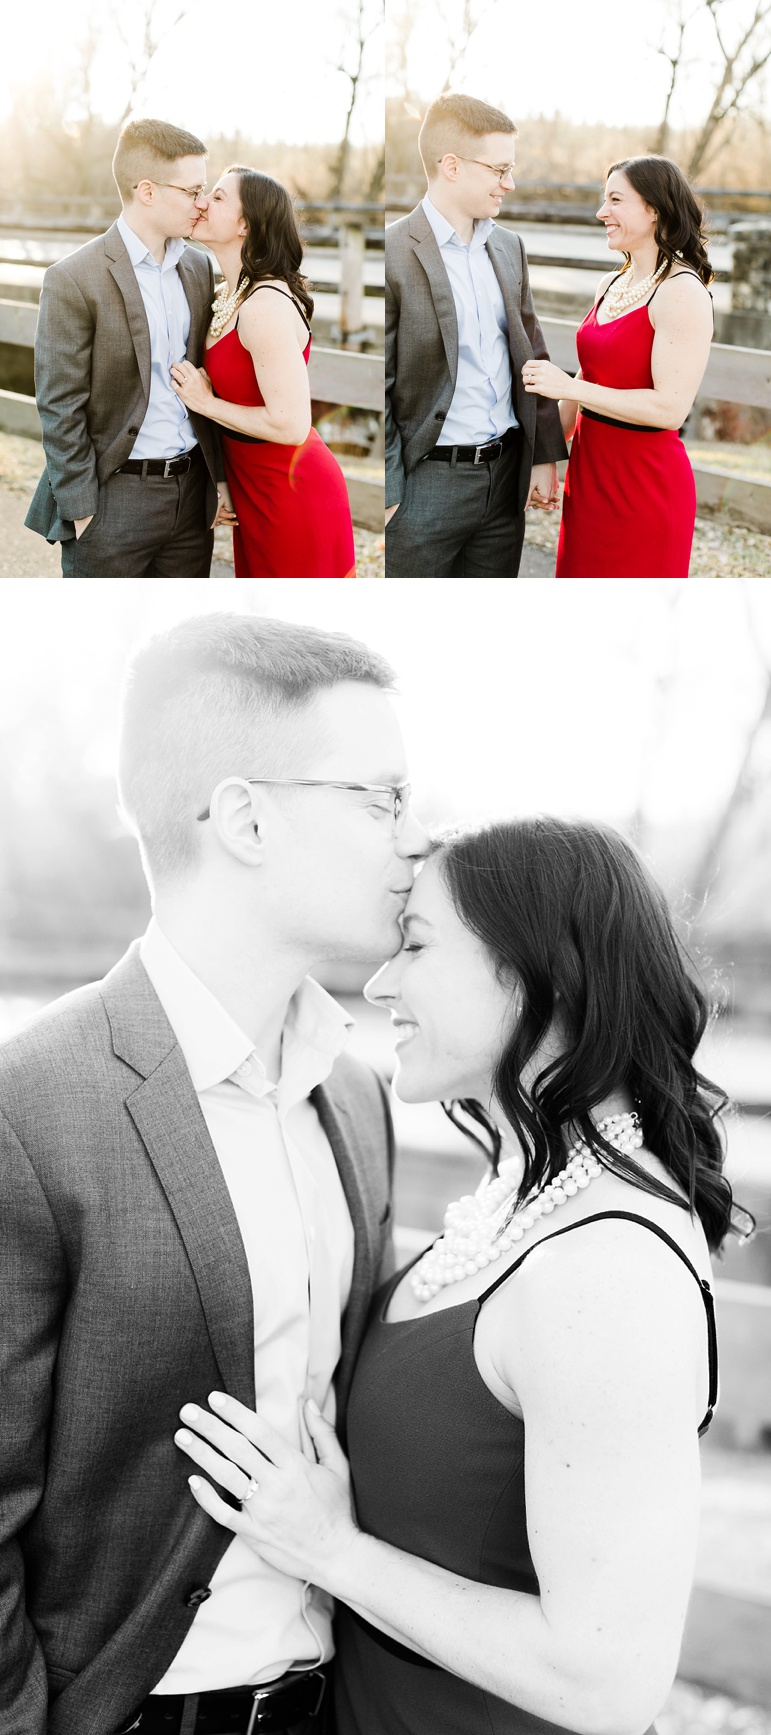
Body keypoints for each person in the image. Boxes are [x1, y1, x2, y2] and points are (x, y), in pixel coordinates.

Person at [174, 816, 753, 1735]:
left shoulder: (604, 1271)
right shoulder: (517, 1201)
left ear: (536, 972)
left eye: (414, 945)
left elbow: (606, 1682)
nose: (378, 983)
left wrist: (333, 1551)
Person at [0, 611, 429, 1735]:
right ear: (245, 816)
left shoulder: (355, 1093)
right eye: (378, 797)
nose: (410, 837)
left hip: (330, 1703)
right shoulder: (29, 1102)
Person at [24, 117, 235, 578]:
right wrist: (82, 510)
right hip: (112, 500)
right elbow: (59, 404)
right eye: (192, 190)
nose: (202, 204)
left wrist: (217, 478)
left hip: (191, 496)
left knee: (182, 639)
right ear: (147, 191)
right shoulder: (74, 279)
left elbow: (204, 382)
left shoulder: (198, 268)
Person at [385, 92, 568, 577]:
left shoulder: (509, 247)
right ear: (452, 165)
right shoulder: (395, 252)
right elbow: (381, 385)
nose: (510, 183)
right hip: (425, 487)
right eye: (499, 169)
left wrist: (544, 455)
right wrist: (389, 495)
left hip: (505, 481)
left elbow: (534, 354)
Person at [523, 156, 714, 578]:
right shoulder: (610, 283)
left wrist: (568, 389)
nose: (601, 212)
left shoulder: (682, 292)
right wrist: (545, 456)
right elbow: (588, 375)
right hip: (589, 482)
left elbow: (670, 409)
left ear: (654, 210)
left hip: (645, 487)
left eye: (614, 200)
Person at [169, 168, 356, 578]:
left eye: (217, 198)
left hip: (292, 494)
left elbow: (290, 425)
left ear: (245, 224)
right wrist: (220, 481)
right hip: (250, 488)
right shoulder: (223, 296)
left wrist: (206, 402)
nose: (201, 203)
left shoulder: (264, 306)